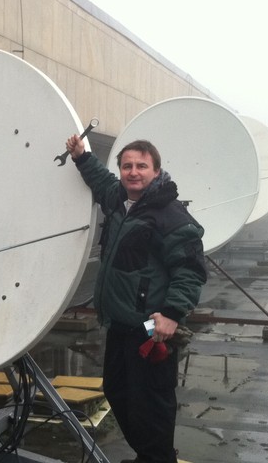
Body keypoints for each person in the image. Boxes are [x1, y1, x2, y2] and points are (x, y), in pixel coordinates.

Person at [64, 136, 206, 463]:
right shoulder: (118, 200)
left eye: (142, 166)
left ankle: (157, 457)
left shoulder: (170, 216)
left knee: (151, 402)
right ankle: (149, 455)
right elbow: (101, 181)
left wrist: (172, 313)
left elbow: (190, 269)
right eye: (127, 165)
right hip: (120, 323)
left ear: (156, 171)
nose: (133, 172)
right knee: (117, 391)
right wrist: (82, 157)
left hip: (150, 327)